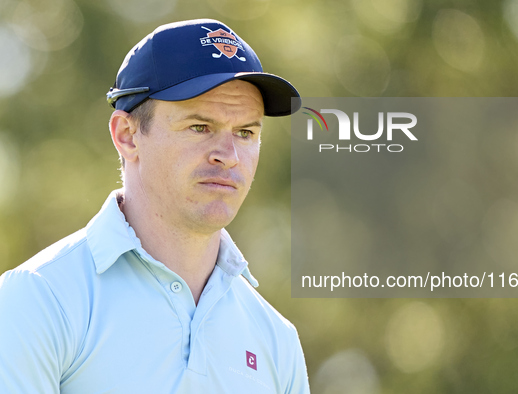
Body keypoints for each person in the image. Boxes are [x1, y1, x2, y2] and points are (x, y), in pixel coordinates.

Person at [0, 19, 309, 393]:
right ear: (127, 136)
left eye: (246, 133)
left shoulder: (277, 341)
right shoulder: (39, 298)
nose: (229, 156)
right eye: (200, 127)